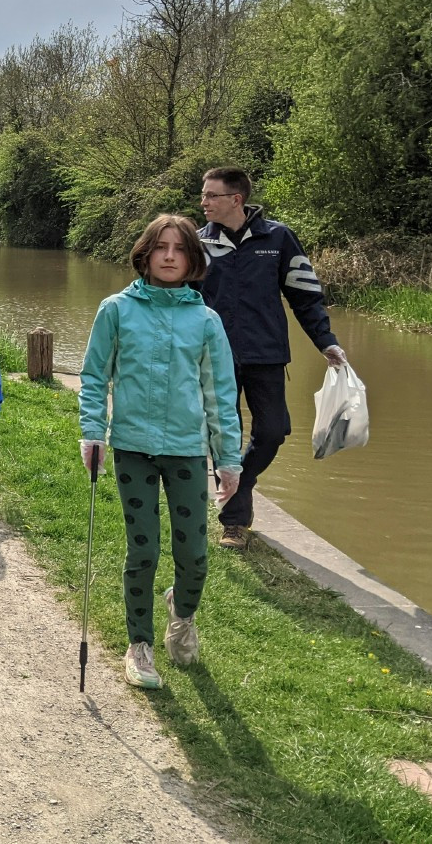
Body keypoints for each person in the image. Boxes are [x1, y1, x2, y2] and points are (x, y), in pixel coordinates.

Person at [79, 214, 243, 689]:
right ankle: (140, 646)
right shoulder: (115, 309)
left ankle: (182, 611)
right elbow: (94, 377)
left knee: (194, 554)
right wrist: (93, 434)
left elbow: (220, 395)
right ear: (145, 254)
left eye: (179, 249)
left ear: (193, 259)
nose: (170, 256)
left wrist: (227, 459)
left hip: (187, 451)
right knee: (143, 549)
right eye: (161, 247)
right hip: (132, 447)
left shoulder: (206, 321)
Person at [197, 167, 347, 552]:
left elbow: (305, 295)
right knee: (223, 437)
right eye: (204, 194)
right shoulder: (198, 244)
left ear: (236, 199)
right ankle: (233, 522)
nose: (204, 201)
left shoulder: (278, 239)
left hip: (267, 354)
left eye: (212, 195)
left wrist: (326, 342)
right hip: (215, 358)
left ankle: (241, 482)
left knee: (274, 430)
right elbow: (181, 301)